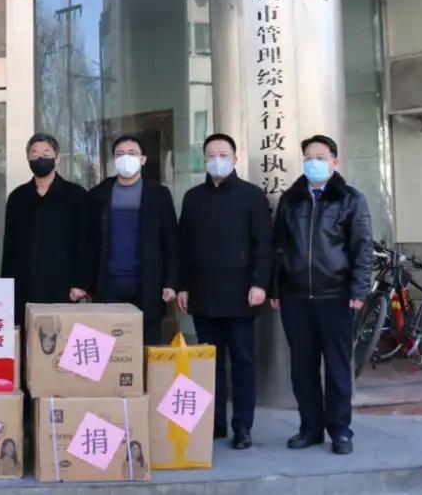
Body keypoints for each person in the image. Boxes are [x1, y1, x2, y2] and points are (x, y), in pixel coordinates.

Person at [272, 134, 372, 456]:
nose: (313, 163)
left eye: (320, 157)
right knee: (302, 368)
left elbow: (362, 248)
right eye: (308, 158)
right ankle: (310, 428)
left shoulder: (351, 199)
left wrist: (359, 289)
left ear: (334, 162)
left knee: (338, 369)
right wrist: (276, 287)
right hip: (296, 298)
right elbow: (278, 247)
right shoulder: (291, 199)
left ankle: (340, 431)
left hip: (336, 296)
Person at [177, 133, 272, 450]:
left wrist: (260, 283)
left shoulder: (251, 196)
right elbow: (183, 246)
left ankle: (242, 426)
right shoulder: (193, 198)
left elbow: (264, 245)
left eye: (223, 154)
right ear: (204, 160)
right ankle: (214, 422)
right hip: (203, 294)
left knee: (243, 363)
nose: (216, 160)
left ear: (234, 158)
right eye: (210, 155)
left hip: (242, 293)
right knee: (208, 362)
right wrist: (182, 285)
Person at [87, 135, 179, 345]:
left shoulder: (159, 194)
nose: (125, 158)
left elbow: (171, 242)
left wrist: (171, 282)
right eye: (120, 154)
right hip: (109, 284)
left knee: (148, 345)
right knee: (108, 347)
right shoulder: (99, 194)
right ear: (113, 160)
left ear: (143, 159)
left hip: (148, 284)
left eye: (132, 153)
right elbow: (89, 241)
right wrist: (85, 282)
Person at [1, 133, 89, 325]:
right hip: (25, 283)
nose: (40, 158)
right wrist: (6, 286)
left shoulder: (76, 196)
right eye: (34, 154)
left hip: (63, 285)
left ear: (57, 158)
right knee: (27, 335)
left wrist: (81, 283)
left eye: (46, 153)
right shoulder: (18, 197)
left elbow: (85, 242)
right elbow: (10, 246)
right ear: (28, 158)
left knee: (61, 335)